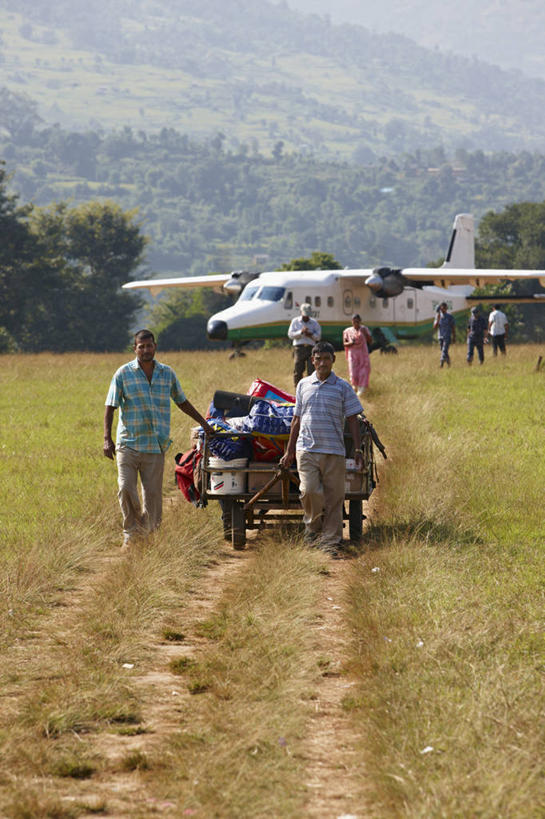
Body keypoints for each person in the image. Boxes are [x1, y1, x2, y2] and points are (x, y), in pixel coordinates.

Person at [103, 329, 214, 547]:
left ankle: (149, 536)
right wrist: (107, 438)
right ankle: (131, 534)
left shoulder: (167, 374)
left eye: (149, 345)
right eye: (141, 346)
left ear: (155, 347)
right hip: (129, 443)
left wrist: (204, 423)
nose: (146, 350)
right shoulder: (123, 374)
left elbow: (181, 401)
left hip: (155, 444)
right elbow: (110, 406)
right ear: (134, 348)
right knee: (126, 488)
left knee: (153, 496)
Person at [279, 341, 364, 556]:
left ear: (333, 360)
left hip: (334, 450)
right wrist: (289, 451)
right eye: (318, 359)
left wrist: (358, 449)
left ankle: (330, 542)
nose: (323, 363)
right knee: (309, 491)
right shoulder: (303, 385)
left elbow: (353, 419)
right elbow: (296, 420)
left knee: (335, 499)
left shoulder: (343, 387)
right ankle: (313, 531)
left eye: (327, 358)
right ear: (312, 361)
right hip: (306, 449)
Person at [287, 303, 321, 388]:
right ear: (301, 312)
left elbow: (318, 337)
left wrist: (311, 335)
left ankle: (311, 388)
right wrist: (301, 332)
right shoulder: (295, 321)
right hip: (299, 348)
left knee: (311, 370)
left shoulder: (314, 323)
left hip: (311, 348)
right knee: (298, 370)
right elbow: (290, 334)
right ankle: (297, 388)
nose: (306, 317)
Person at [343, 313, 373, 396]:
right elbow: (345, 343)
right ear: (352, 321)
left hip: (363, 353)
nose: (356, 323)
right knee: (353, 371)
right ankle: (354, 386)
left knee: (363, 371)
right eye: (354, 321)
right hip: (353, 354)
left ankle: (362, 388)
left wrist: (365, 334)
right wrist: (351, 343)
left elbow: (370, 341)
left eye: (357, 321)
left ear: (360, 321)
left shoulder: (364, 329)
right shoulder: (347, 331)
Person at [433, 301, 456, 367]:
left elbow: (453, 327)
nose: (443, 309)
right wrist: (438, 319)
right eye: (442, 308)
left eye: (444, 308)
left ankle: (441, 363)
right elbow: (435, 327)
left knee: (444, 349)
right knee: (443, 350)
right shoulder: (437, 316)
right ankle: (448, 362)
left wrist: (454, 336)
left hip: (447, 336)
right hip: (440, 336)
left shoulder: (450, 317)